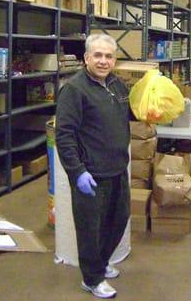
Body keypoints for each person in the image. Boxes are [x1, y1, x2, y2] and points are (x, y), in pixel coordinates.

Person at [55, 33, 130, 299]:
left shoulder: (117, 85)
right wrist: (77, 172)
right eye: (97, 55)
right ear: (86, 58)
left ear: (114, 60)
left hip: (118, 169)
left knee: (117, 220)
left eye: (108, 56)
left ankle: (101, 262)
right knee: (90, 228)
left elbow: (126, 116)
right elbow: (63, 135)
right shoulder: (74, 89)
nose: (103, 61)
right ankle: (92, 278)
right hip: (92, 174)